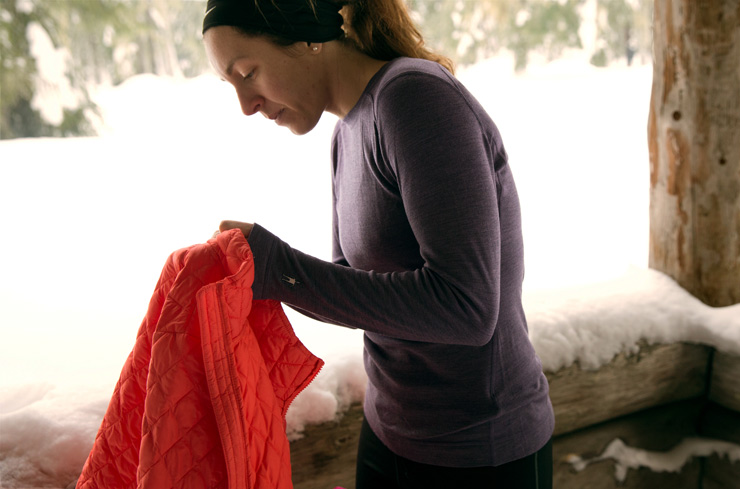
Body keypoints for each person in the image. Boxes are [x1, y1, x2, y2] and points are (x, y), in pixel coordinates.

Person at [202, 0, 555, 487]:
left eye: (248, 72)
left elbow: (467, 308)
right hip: (389, 433)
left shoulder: (415, 98)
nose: (246, 105)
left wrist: (278, 268)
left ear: (306, 36)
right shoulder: (346, 133)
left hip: (479, 452)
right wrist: (260, 271)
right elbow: (358, 291)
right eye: (231, 85)